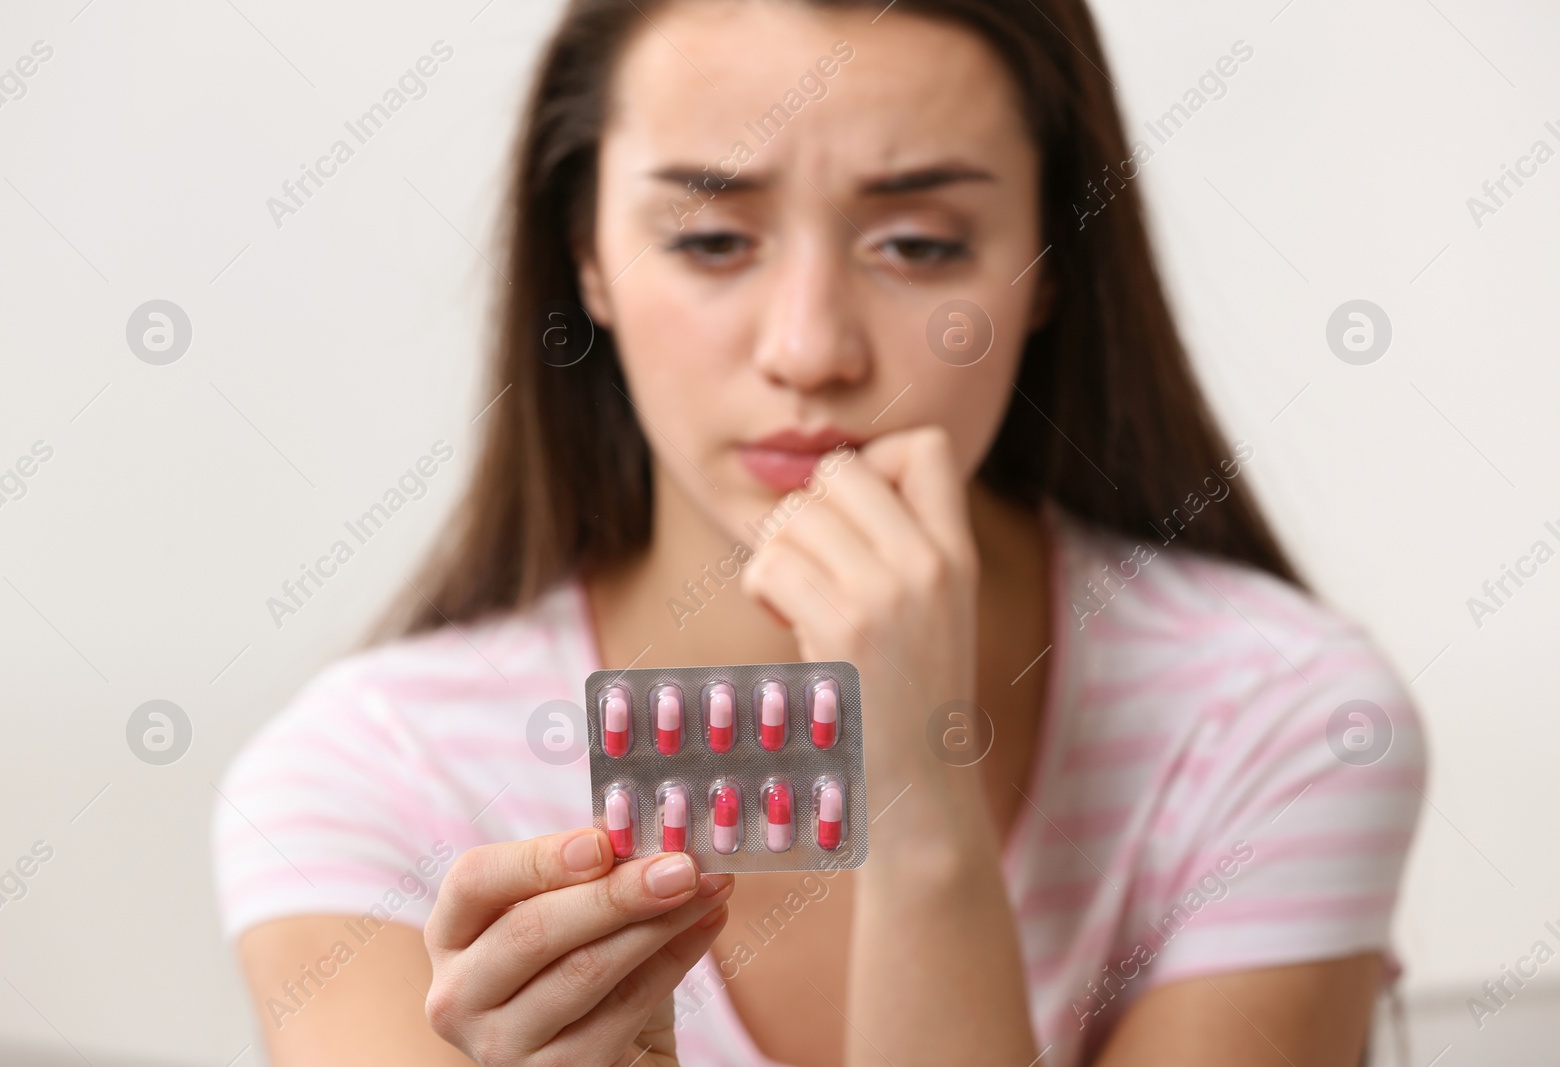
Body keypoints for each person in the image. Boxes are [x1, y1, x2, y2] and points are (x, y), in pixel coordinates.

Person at [212, 1, 1427, 1063]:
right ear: (585, 254)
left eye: (916, 244)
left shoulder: (1281, 717)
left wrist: (923, 797)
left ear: (1050, 262)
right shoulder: (353, 782)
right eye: (708, 240)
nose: (809, 349)